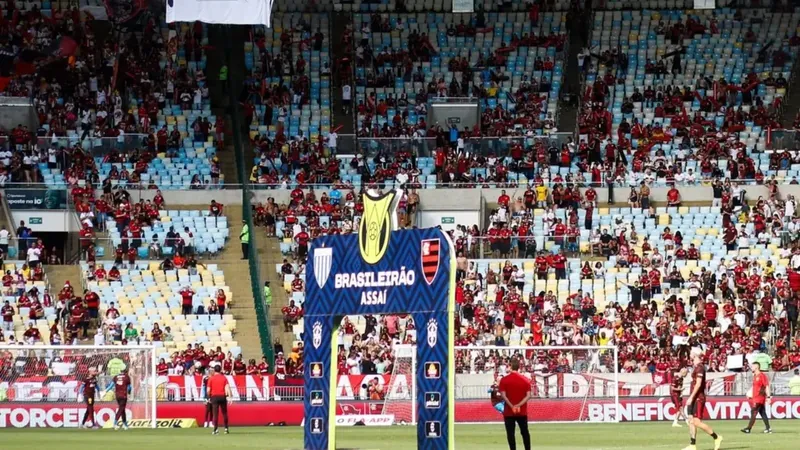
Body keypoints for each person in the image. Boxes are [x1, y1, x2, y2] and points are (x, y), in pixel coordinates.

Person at [683, 349, 722, 450]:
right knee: (691, 421)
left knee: (696, 422)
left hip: (698, 398)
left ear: (695, 355)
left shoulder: (700, 367)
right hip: (694, 396)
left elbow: (699, 384)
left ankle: (716, 437)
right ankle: (692, 445)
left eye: (691, 352)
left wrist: (691, 397)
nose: (689, 354)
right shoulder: (696, 367)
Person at [498, 359, 531, 450]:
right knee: (524, 432)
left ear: (510, 366)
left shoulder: (504, 380)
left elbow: (503, 395)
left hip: (509, 411)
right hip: (522, 411)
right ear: (519, 367)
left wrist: (512, 405)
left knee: (510, 433)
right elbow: (528, 396)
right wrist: (519, 405)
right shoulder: (525, 380)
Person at [741, 362, 772, 434]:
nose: (751, 368)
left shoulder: (762, 376)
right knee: (762, 412)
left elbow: (767, 386)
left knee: (753, 411)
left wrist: (768, 397)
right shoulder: (755, 376)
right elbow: (755, 388)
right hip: (756, 397)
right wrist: (750, 394)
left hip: (759, 398)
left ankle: (748, 428)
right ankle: (768, 428)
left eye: (752, 366)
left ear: (756, 367)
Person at [207, 364, 231, 435]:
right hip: (222, 396)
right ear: (220, 370)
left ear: (214, 370)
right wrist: (229, 396)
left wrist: (209, 397)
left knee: (215, 414)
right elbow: (227, 388)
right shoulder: (224, 378)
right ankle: (226, 429)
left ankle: (215, 429)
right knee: (224, 413)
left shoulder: (211, 378)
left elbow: (208, 390)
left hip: (214, 397)